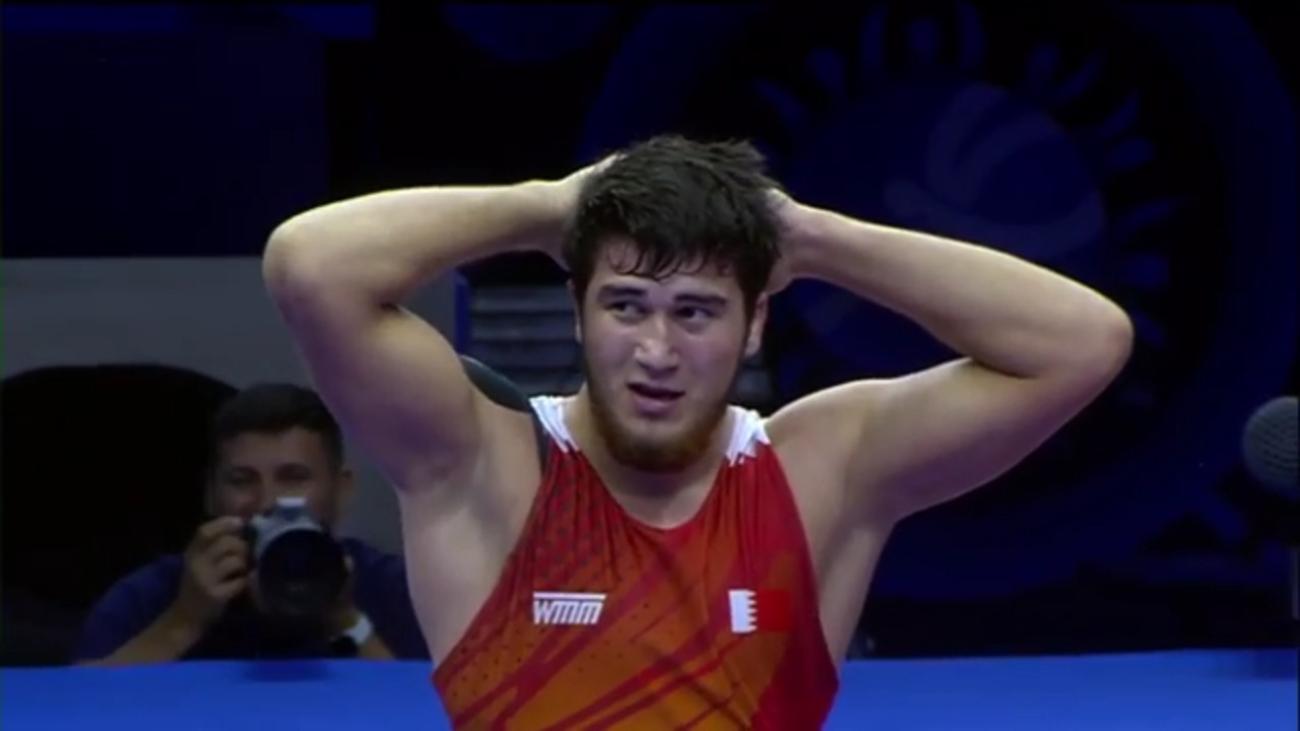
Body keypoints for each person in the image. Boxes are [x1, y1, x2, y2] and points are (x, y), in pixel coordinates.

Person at [262, 136, 1133, 727]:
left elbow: (1082, 343)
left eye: (696, 311)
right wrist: (552, 206)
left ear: (755, 324)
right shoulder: (483, 462)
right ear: (577, 308)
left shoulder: (821, 470)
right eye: (625, 305)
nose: (657, 350)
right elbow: (310, 264)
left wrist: (809, 235)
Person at [74, 383, 427, 664]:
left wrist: (346, 620)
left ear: (341, 491)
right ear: (211, 495)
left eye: (294, 477)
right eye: (242, 481)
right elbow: (76, 708)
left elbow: (436, 715)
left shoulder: (397, 590)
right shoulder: (151, 595)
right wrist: (185, 620)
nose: (266, 502)